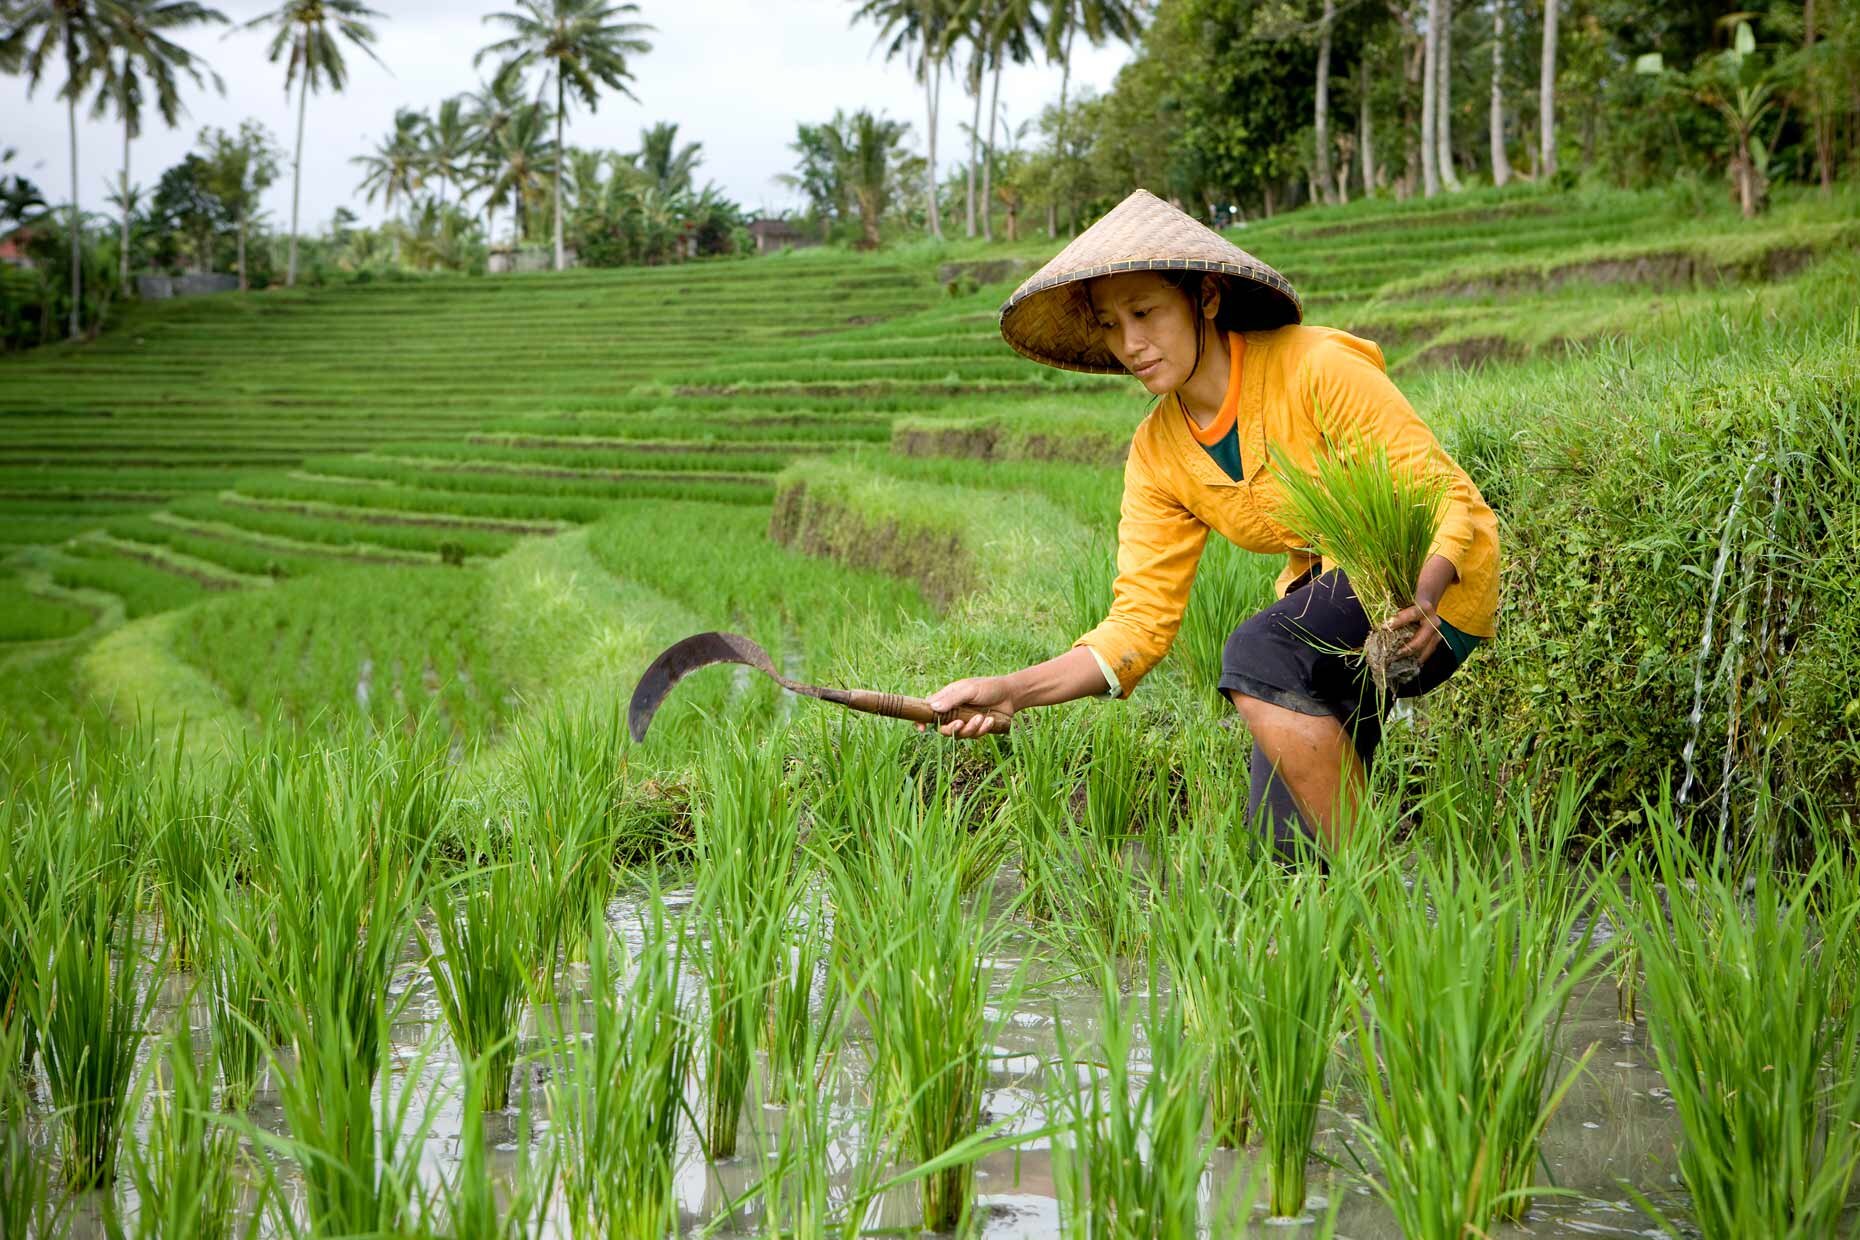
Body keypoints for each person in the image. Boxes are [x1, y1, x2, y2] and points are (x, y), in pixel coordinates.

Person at [918, 189, 1499, 856]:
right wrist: (1011, 693)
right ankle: (1348, 927)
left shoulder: (1316, 367)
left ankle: (1369, 892)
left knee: (1259, 653)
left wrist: (1424, 598)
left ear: (1208, 298)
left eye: (1145, 313)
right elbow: (1137, 626)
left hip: (1430, 586)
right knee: (1278, 849)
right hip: (1330, 608)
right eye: (1109, 324)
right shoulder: (1157, 450)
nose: (1130, 344)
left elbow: (1445, 493)